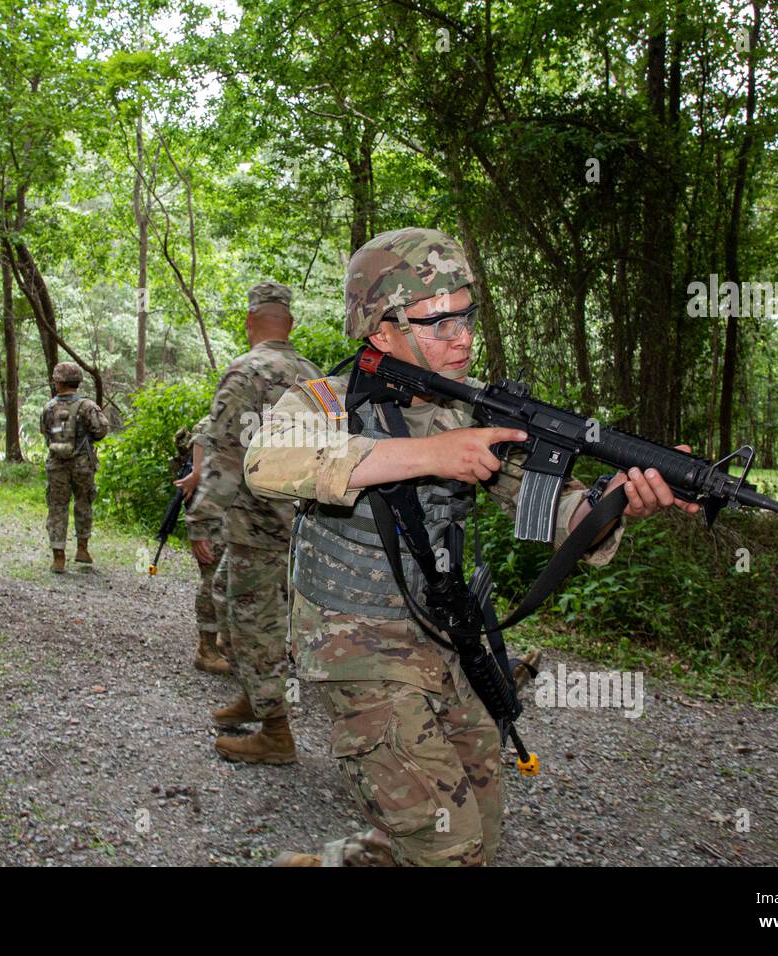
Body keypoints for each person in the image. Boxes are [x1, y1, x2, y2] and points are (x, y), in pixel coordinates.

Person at [244, 228, 698, 865]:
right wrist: (432, 454)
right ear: (381, 331)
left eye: (467, 316)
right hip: (358, 646)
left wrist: (616, 499)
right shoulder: (325, 401)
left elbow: (553, 505)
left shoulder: (473, 408)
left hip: (447, 634)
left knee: (479, 823)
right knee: (449, 846)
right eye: (437, 322)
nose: (461, 338)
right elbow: (265, 462)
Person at [184, 281, 322, 765]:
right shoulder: (315, 374)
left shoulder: (245, 372)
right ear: (290, 324)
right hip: (308, 525)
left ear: (249, 323)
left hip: (258, 525)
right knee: (239, 603)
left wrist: (201, 518)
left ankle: (275, 733)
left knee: (253, 621)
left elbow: (224, 455)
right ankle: (255, 696)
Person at [173, 414, 230, 675]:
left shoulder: (253, 420)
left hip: (237, 518)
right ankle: (206, 650)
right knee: (211, 579)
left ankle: (221, 640)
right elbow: (198, 476)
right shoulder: (212, 423)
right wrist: (198, 527)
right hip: (213, 517)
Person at [42, 361, 109, 572]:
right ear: (78, 381)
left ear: (59, 382)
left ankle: (58, 557)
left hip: (56, 465)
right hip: (83, 464)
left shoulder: (49, 407)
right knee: (83, 503)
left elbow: (44, 431)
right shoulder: (88, 406)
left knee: (57, 507)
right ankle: (82, 549)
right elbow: (101, 430)